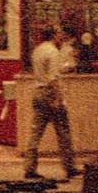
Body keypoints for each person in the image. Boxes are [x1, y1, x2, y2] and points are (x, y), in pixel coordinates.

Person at [23, 25, 82, 181]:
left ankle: (29, 168)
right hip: (50, 93)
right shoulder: (53, 52)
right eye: (59, 33)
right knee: (63, 132)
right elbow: (54, 78)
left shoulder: (37, 50)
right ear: (54, 35)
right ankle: (69, 167)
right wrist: (57, 98)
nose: (61, 35)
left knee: (35, 133)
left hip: (38, 92)